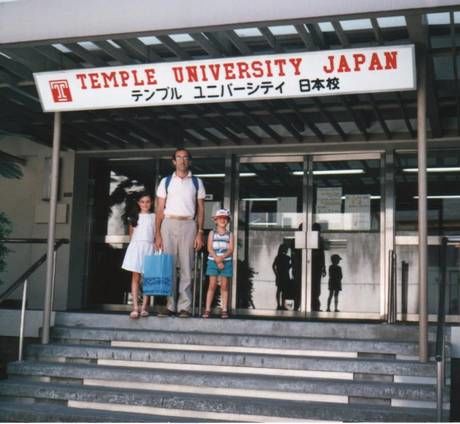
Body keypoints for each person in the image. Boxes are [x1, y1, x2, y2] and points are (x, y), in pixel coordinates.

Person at [155, 148, 206, 318]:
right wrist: (158, 234)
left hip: (188, 224)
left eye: (185, 157)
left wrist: (200, 232)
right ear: (173, 161)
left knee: (186, 266)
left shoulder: (197, 182)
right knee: (168, 266)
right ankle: (170, 305)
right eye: (179, 157)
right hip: (168, 223)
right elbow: (160, 209)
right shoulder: (166, 181)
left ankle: (185, 306)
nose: (182, 160)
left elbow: (201, 208)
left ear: (189, 161)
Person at [121, 192, 155, 319]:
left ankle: (145, 307)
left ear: (151, 203)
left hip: (149, 247)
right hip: (136, 247)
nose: (145, 204)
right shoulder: (134, 217)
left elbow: (156, 233)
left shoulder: (154, 216)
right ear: (138, 203)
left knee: (148, 277)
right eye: (142, 202)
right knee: (135, 277)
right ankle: (135, 307)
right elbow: (131, 235)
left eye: (148, 201)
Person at [202, 209, 234, 319]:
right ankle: (207, 309)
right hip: (213, 261)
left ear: (228, 221)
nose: (222, 220)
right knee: (212, 285)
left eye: (225, 218)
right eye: (220, 218)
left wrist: (222, 258)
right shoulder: (212, 233)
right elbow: (209, 248)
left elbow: (230, 249)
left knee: (224, 286)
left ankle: (224, 309)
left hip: (226, 261)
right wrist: (216, 259)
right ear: (215, 220)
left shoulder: (230, 235)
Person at [311, 223, 326, 311]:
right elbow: (322, 254)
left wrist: (323, 267)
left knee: (315, 286)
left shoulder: (319, 239)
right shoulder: (319, 240)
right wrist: (323, 267)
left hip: (316, 266)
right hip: (316, 266)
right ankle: (314, 306)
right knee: (316, 286)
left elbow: (322, 253)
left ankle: (314, 306)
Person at [272, 244, 291, 310]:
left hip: (280, 275)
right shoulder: (287, 258)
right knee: (284, 291)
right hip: (285, 275)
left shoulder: (278, 257)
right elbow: (287, 268)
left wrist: (276, 274)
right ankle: (283, 305)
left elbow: (273, 266)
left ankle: (279, 305)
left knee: (279, 290)